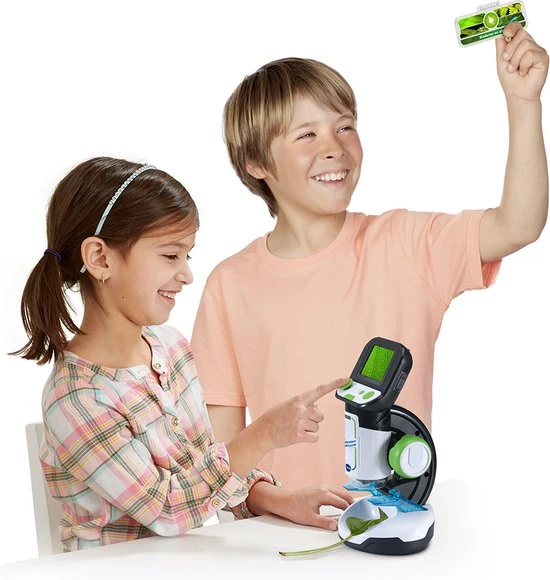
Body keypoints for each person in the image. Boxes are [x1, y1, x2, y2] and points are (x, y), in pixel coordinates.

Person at [191, 22, 549, 491]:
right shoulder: (229, 284)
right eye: (306, 135)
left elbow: (518, 225)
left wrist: (524, 103)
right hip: (277, 532)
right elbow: (221, 459)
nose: (334, 148)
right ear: (256, 164)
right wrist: (264, 506)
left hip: (395, 521)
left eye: (345, 127)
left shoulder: (405, 243)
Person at [13, 156, 353, 551]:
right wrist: (261, 435)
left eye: (187, 256)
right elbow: (168, 509)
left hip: (185, 559)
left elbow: (202, 466)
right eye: (170, 255)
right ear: (101, 258)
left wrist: (276, 499)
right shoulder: (76, 399)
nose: (187, 275)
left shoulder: (170, 347)